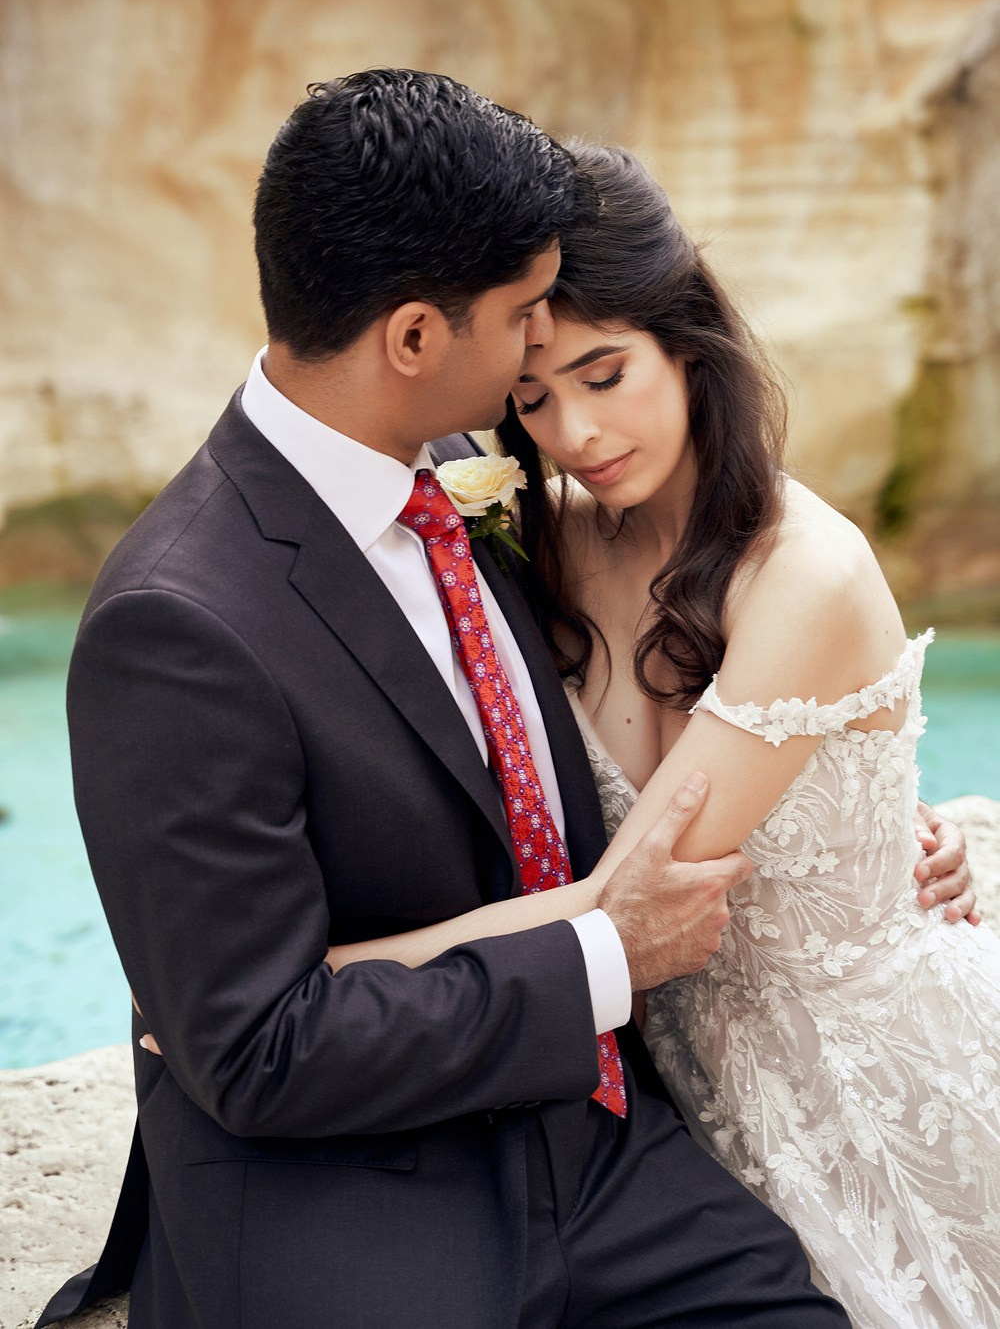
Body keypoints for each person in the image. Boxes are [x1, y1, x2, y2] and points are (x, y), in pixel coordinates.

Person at [37, 71, 865, 1329]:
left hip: (596, 1144)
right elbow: (256, 1048)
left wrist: (850, 824)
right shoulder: (177, 624)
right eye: (527, 318)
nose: (543, 354)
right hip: (353, 1185)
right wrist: (599, 952)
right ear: (416, 338)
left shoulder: (475, 477)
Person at [319, 143, 996, 1329]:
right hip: (665, 1087)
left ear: (689, 342)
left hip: (870, 1088)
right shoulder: (555, 539)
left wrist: (322, 987)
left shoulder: (807, 569)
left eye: (605, 372)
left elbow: (637, 888)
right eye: (534, 398)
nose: (575, 431)